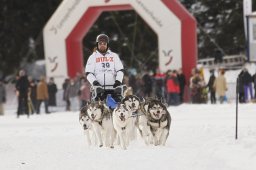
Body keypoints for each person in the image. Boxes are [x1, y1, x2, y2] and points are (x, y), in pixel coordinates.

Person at [85, 34, 124, 102]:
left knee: (116, 109)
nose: (102, 45)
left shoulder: (114, 56)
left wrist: (118, 81)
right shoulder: (93, 57)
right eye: (100, 43)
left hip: (113, 88)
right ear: (97, 44)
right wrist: (95, 83)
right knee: (97, 110)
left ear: (107, 44)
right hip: (99, 89)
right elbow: (88, 73)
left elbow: (120, 70)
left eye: (104, 43)